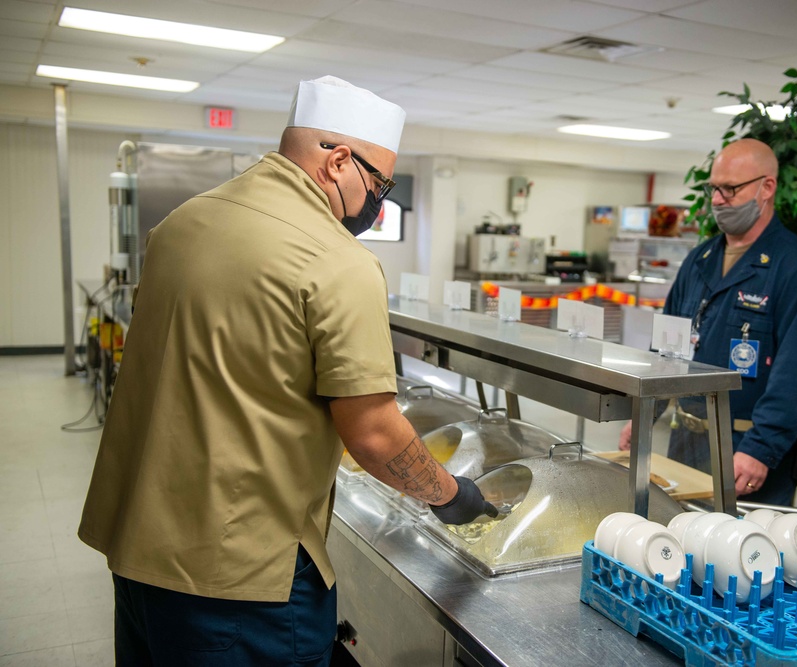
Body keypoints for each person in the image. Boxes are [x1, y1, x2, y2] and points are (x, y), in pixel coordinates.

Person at [77, 75, 495, 665]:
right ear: (339, 161)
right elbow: (374, 435)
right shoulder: (338, 260)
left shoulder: (179, 225)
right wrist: (451, 496)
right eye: (380, 184)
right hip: (240, 578)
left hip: (138, 550)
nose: (380, 204)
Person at [620, 138, 797, 506]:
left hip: (744, 451)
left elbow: (796, 373)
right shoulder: (700, 259)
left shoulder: (796, 269)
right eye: (714, 188)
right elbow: (666, 348)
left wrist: (761, 449)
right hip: (686, 441)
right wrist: (643, 414)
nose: (718, 200)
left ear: (767, 188)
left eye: (730, 189)